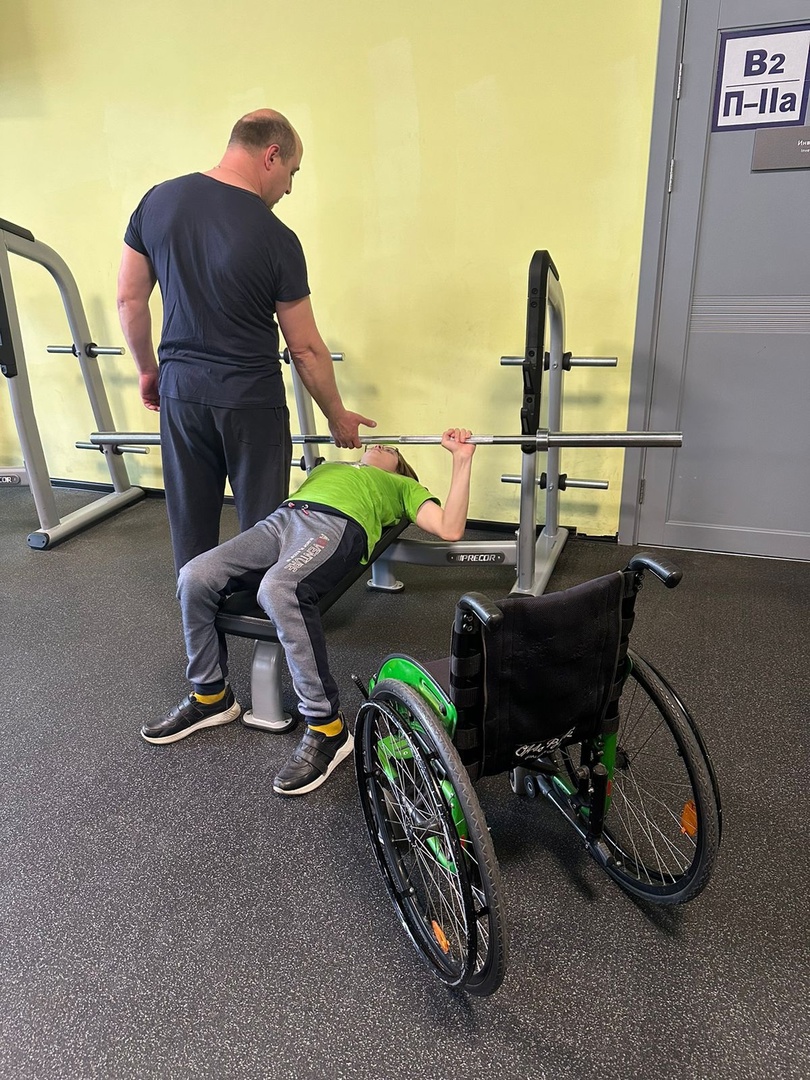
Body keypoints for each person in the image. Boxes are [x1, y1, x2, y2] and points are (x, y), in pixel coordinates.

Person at [141, 429, 476, 796]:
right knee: (194, 576)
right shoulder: (328, 467)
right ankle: (210, 695)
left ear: (401, 468)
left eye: (393, 450)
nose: (382, 444)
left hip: (333, 527)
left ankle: (328, 728)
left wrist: (461, 459)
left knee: (279, 588)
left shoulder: (402, 487)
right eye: (379, 443)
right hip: (280, 520)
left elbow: (450, 528)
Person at [116, 108, 374, 573]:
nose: (289, 188)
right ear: (271, 156)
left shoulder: (157, 201)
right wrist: (337, 415)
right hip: (250, 401)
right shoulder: (277, 237)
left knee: (190, 527)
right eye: (292, 172)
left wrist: (148, 371)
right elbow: (305, 349)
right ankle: (260, 612)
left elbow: (129, 300)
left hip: (181, 393)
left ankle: (197, 612)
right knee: (262, 531)